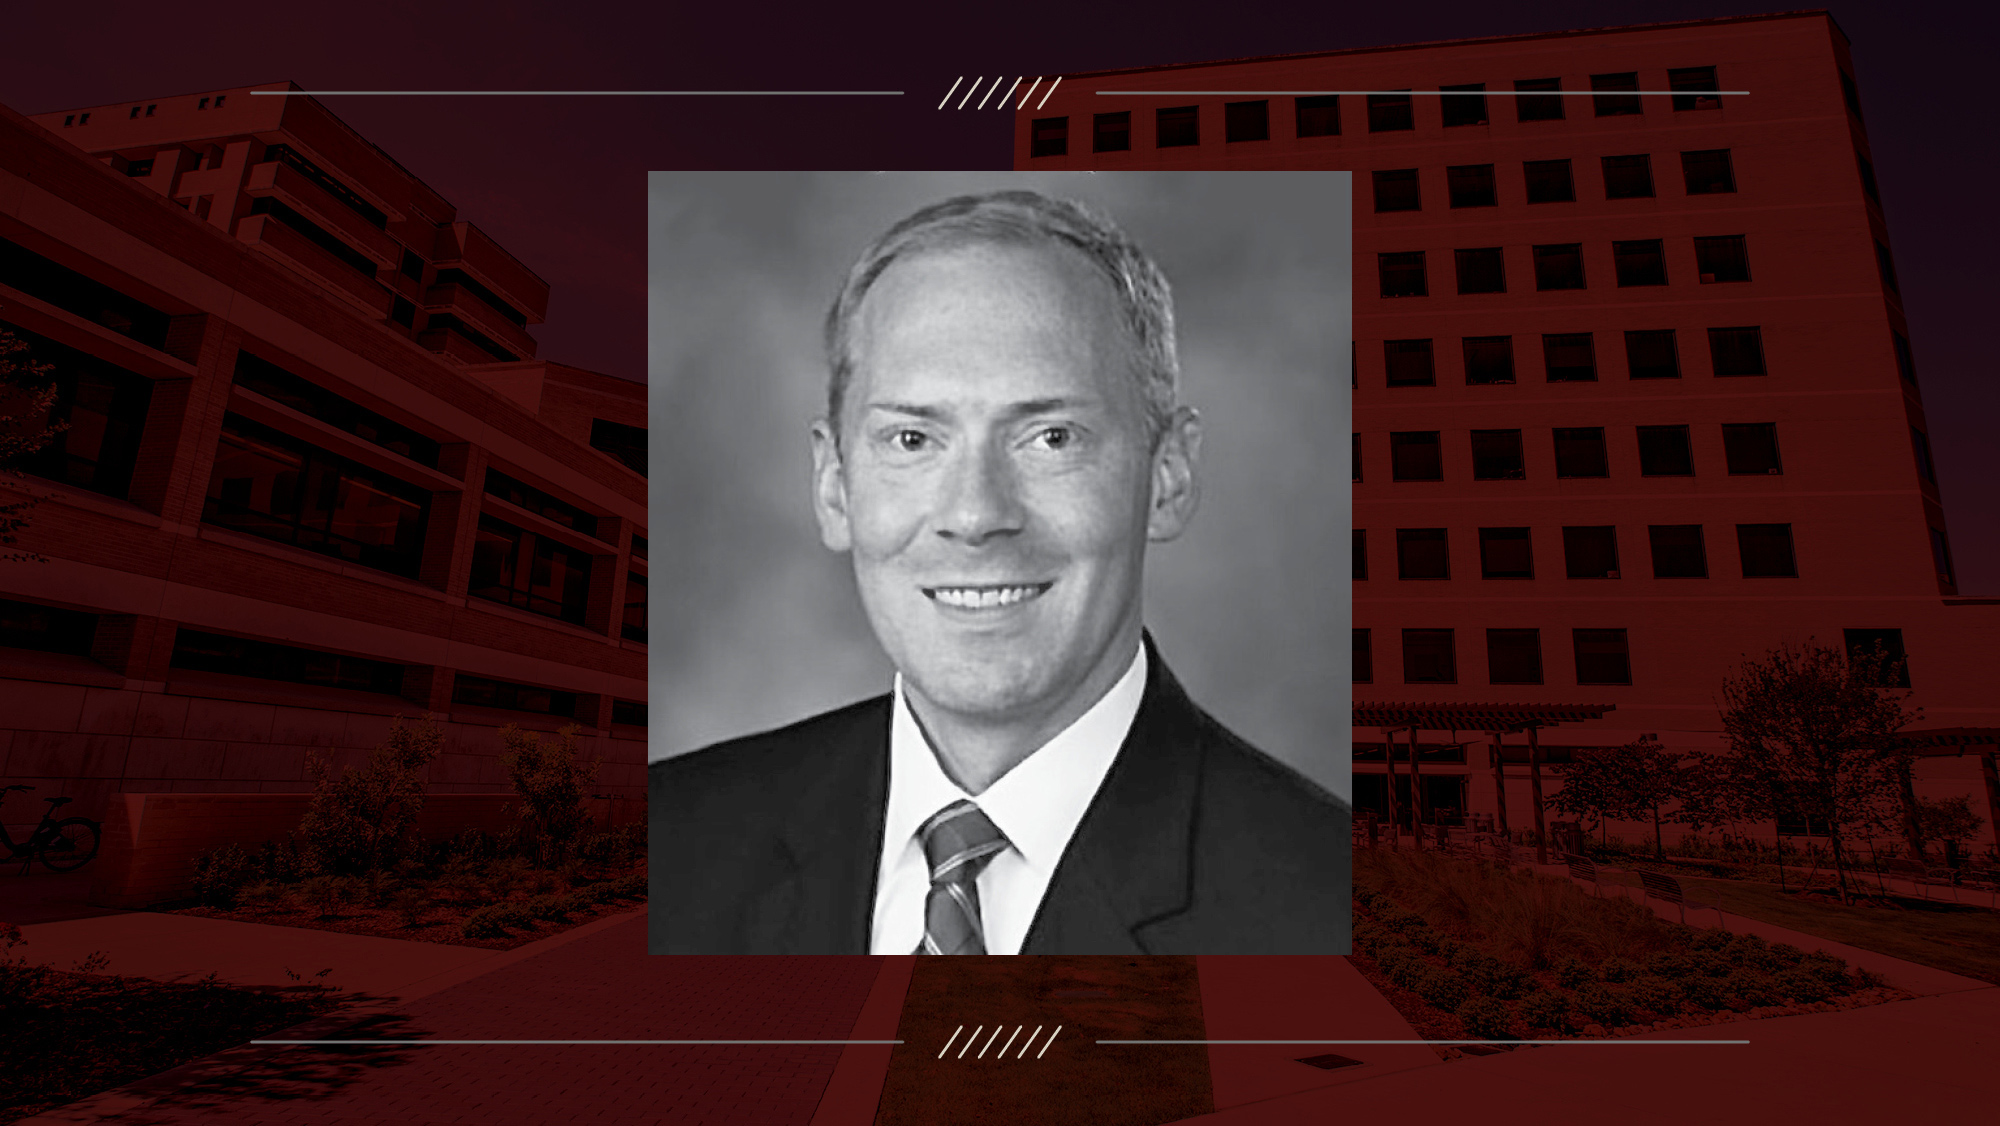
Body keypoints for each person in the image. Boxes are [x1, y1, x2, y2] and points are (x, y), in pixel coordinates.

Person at [650, 189, 1348, 955]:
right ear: (833, 485)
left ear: (1169, 476)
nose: (977, 515)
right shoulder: (669, 849)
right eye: (913, 439)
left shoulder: (1335, 910)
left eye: (1051, 438)